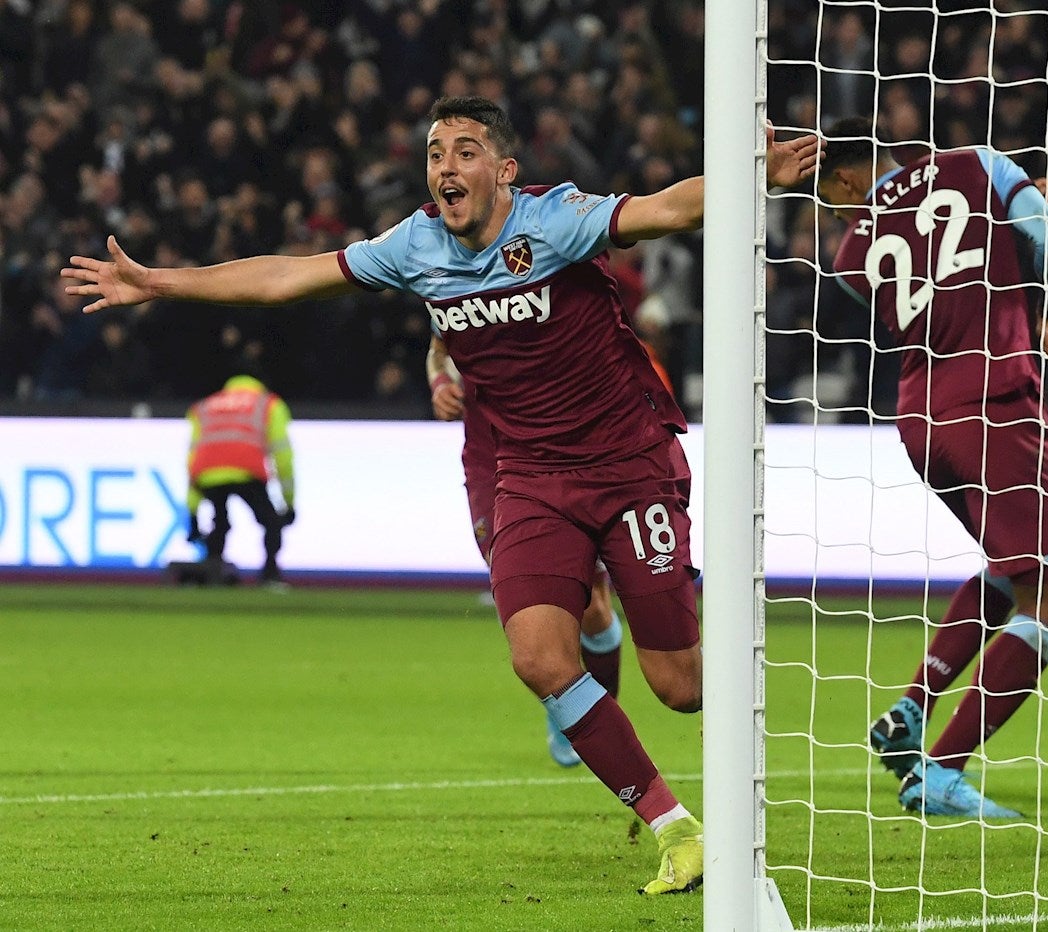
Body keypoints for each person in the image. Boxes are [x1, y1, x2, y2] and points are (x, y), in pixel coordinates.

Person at [62, 95, 820, 893]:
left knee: (683, 687)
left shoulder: (555, 222)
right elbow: (288, 277)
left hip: (627, 463)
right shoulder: (415, 244)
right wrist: (162, 283)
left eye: (463, 151)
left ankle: (696, 604)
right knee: (537, 657)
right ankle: (678, 828)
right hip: (529, 475)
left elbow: (667, 209)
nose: (445, 167)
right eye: (434, 153)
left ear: (504, 171)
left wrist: (752, 177)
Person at [818, 116, 1048, 819]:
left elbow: (931, 272)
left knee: (1009, 568)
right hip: (994, 401)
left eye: (830, 197)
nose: (836, 212)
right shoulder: (977, 162)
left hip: (919, 417)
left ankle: (911, 709)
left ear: (850, 176)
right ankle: (940, 772)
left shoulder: (850, 251)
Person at [427, 333, 623, 769]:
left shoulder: (556, 280)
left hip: (562, 459)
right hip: (489, 465)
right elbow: (439, 349)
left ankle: (593, 712)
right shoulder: (456, 281)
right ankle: (566, 705)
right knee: (526, 600)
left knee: (589, 608)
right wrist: (440, 384)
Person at [186, 373, 296, 585]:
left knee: (220, 522)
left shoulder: (206, 406)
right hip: (247, 468)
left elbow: (192, 461)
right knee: (271, 522)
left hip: (208, 471)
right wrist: (289, 503)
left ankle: (212, 571)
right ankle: (270, 575)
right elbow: (283, 457)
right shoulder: (269, 404)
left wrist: (192, 512)